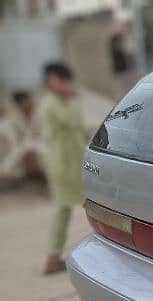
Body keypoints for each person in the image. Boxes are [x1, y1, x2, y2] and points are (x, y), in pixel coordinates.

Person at [38, 62, 88, 274]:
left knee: (65, 209)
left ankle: (53, 256)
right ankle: (52, 256)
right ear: (48, 81)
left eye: (66, 81)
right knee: (66, 208)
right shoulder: (52, 103)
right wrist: (73, 98)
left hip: (72, 163)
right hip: (63, 166)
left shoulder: (60, 101)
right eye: (59, 81)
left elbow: (79, 130)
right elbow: (72, 120)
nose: (64, 85)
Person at [6, 91, 44, 179]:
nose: (28, 103)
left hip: (41, 146)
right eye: (23, 102)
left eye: (28, 100)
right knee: (20, 152)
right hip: (23, 148)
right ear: (18, 104)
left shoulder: (41, 113)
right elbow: (13, 137)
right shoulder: (13, 118)